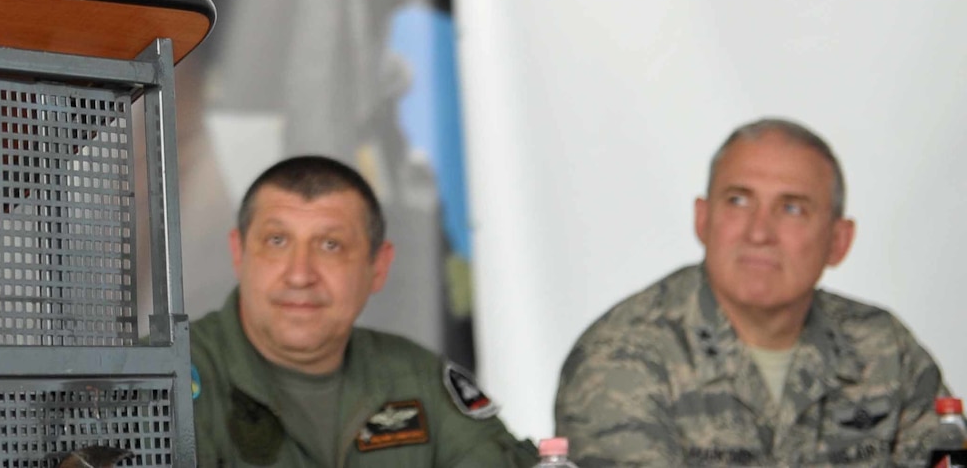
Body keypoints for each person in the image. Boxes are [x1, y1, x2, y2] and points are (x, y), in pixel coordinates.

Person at [556, 118, 949, 468]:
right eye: (738, 201)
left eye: (792, 209)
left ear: (838, 241)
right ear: (702, 219)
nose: (759, 233)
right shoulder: (622, 356)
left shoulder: (883, 350)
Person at [191, 155, 536, 467]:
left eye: (330, 245)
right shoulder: (167, 380)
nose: (299, 275)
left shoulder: (416, 378)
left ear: (378, 267)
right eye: (277, 241)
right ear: (239, 253)